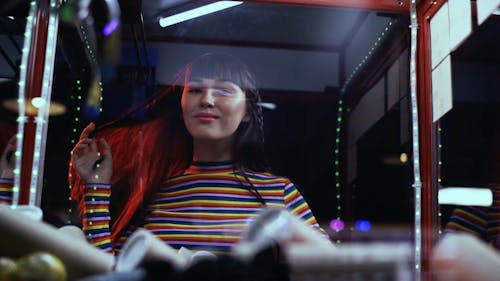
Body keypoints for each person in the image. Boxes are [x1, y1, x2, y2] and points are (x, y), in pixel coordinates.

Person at [67, 52, 326, 255]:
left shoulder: (278, 191)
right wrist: (96, 187)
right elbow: (109, 273)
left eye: (224, 89)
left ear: (247, 112)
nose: (207, 100)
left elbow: (329, 270)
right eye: (195, 90)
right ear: (182, 107)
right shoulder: (154, 190)